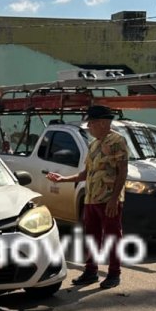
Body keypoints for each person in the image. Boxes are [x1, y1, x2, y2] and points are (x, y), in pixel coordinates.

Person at [47, 104, 128, 289]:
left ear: (101, 123)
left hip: (109, 200)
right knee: (91, 237)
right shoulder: (93, 144)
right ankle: (91, 271)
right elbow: (86, 172)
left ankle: (114, 273)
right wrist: (63, 179)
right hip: (91, 199)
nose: (89, 128)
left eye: (90, 124)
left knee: (112, 237)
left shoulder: (117, 141)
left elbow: (123, 171)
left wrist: (115, 198)